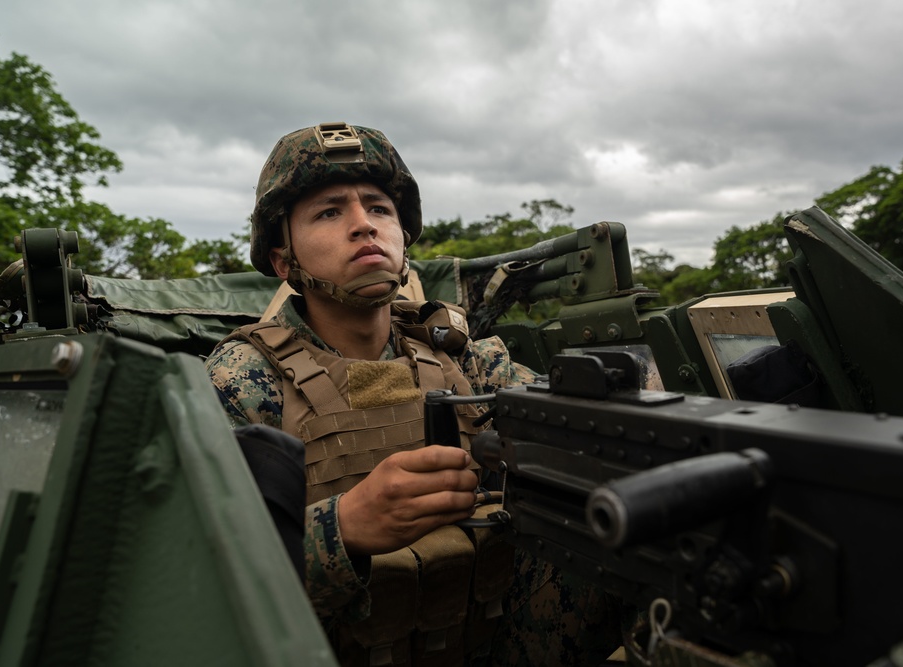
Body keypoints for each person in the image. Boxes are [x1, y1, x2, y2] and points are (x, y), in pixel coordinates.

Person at [205, 122, 622, 665]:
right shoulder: (237, 382)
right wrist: (341, 527)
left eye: (379, 208)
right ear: (285, 263)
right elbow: (196, 574)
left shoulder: (464, 356)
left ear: (404, 239)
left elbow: (569, 431)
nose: (364, 226)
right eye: (329, 212)